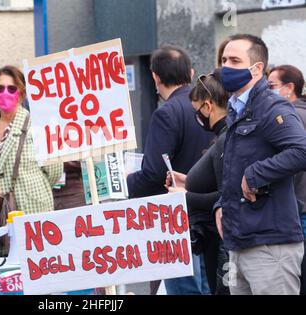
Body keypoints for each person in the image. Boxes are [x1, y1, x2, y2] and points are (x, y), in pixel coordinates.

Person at [214, 34, 306, 295]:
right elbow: (234, 169)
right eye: (223, 60)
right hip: (241, 243)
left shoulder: (270, 107)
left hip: (270, 245)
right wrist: (221, 205)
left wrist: (256, 174)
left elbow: (302, 150)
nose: (226, 67)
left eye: (234, 60)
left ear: (256, 69)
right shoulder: (237, 110)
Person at [126, 45, 213, 295]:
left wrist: (126, 184)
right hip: (209, 213)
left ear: (155, 77)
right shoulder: (207, 106)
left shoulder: (167, 113)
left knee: (184, 288)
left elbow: (154, 173)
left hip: (176, 217)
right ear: (191, 72)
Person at [0, 65, 63, 255]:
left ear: (22, 94)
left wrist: (31, 186)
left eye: (11, 88)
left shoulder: (38, 125)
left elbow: (55, 171)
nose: (4, 93)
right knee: (0, 268)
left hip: (31, 209)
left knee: (34, 265)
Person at [165, 69, 230, 295]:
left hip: (221, 238)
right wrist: (188, 182)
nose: (197, 118)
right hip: (214, 236)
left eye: (197, 111)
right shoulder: (223, 137)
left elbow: (227, 194)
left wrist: (186, 197)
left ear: (208, 106)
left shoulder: (226, 138)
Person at [268, 64, 306, 295]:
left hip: (297, 209)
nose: (267, 92)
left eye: (271, 86)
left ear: (289, 88)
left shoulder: (289, 117)